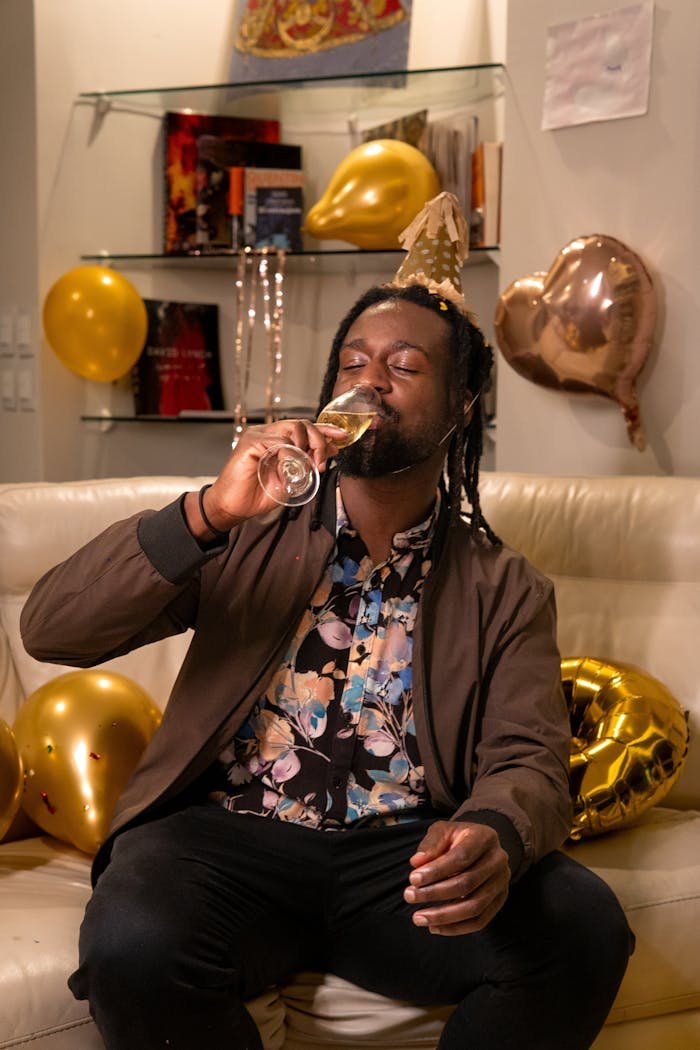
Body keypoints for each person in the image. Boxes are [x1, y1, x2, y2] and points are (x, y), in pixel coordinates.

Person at [21, 195, 633, 1050]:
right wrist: (207, 513)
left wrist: (493, 833)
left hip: (404, 858)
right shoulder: (242, 532)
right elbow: (52, 628)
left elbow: (528, 756)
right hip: (227, 841)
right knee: (133, 945)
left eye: (405, 365)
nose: (369, 379)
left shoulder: (506, 587)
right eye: (353, 360)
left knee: (582, 928)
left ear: (460, 411)